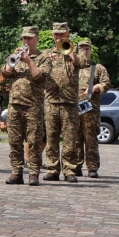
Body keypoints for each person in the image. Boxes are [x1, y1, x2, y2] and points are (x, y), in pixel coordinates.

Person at [0, 26, 50, 186]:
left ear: (37, 39)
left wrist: (29, 61)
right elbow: (5, 73)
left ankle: (34, 174)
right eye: (24, 38)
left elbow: (39, 77)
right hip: (15, 105)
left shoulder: (43, 58)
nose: (26, 41)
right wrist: (14, 58)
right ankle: (16, 173)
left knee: (34, 142)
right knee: (14, 141)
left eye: (29, 38)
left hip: (33, 107)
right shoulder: (16, 55)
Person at [42, 22, 90, 183]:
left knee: (70, 139)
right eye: (56, 34)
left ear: (68, 34)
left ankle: (69, 170)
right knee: (52, 137)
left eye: (62, 34)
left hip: (69, 102)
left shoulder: (75, 51)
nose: (58, 37)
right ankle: (52, 169)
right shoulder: (47, 53)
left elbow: (84, 63)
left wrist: (70, 51)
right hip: (51, 102)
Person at [75, 40, 111, 178]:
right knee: (75, 140)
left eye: (86, 48)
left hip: (90, 110)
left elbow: (106, 83)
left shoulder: (98, 67)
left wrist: (96, 87)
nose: (84, 51)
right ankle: (76, 166)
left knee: (91, 140)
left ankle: (92, 168)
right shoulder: (73, 67)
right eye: (81, 48)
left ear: (90, 50)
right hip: (74, 109)